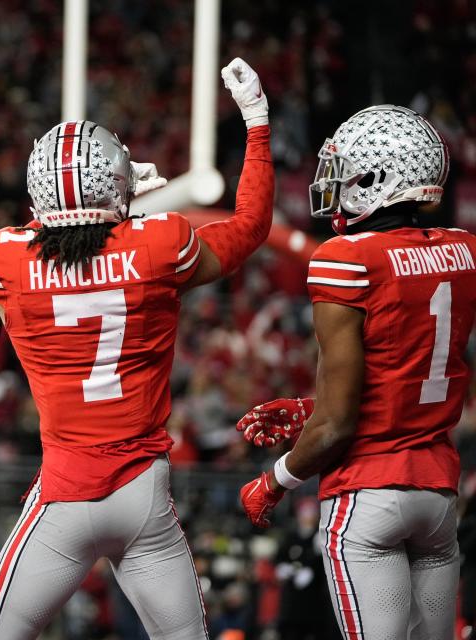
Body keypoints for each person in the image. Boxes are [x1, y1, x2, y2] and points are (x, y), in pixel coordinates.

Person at [0, 57, 274, 639]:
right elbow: (250, 225)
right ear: (116, 183)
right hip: (145, 500)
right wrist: (256, 124)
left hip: (62, 497)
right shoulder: (160, 242)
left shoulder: (8, 255)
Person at [237, 105, 465, 640]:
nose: (334, 187)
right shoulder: (464, 251)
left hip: (369, 496)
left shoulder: (347, 257)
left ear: (380, 180)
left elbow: (339, 427)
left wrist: (273, 481)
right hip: (437, 497)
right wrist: (311, 409)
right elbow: (404, 376)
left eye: (347, 175)